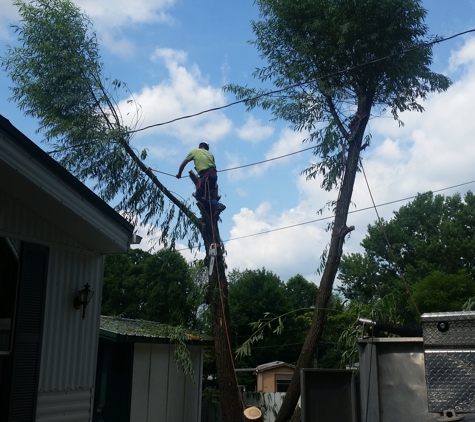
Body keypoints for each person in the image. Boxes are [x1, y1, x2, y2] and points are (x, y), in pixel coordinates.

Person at [176, 142, 226, 218]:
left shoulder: (195, 151)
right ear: (207, 148)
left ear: (200, 147)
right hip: (213, 176)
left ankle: (217, 206)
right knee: (207, 195)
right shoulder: (210, 154)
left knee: (200, 196)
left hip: (205, 176)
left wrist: (179, 174)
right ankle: (211, 213)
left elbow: (183, 163)